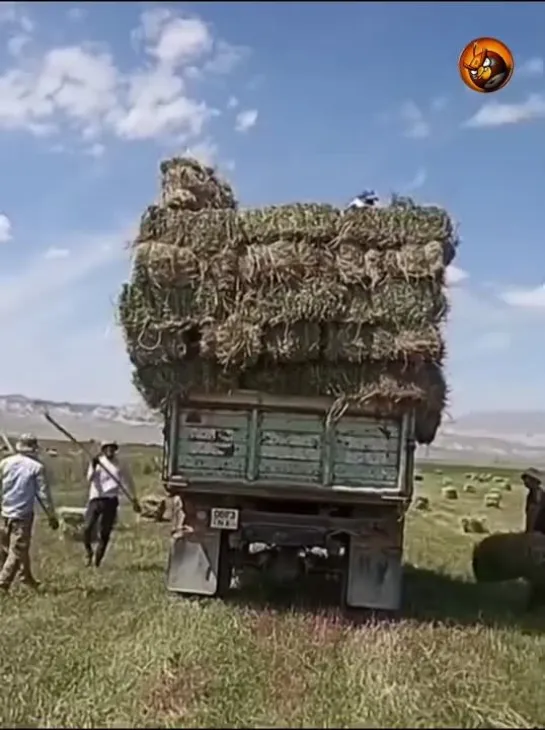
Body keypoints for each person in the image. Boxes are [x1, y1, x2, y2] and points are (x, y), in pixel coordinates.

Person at [0, 433, 59, 592]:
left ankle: (26, 578)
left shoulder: (5, 463)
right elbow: (43, 494)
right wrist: (51, 516)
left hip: (5, 512)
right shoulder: (36, 467)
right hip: (22, 515)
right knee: (16, 551)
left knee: (9, 550)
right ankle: (3, 583)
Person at [83, 440, 140, 568]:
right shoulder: (97, 462)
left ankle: (97, 561)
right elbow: (89, 478)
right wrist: (93, 465)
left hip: (111, 500)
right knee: (87, 527)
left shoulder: (120, 464)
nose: (110, 450)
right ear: (103, 449)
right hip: (96, 498)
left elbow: (129, 481)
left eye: (112, 448)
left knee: (104, 532)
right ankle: (88, 552)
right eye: (107, 448)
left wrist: (134, 499)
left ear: (115, 449)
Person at [522, 467, 545, 534]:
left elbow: (535, 513)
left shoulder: (539, 495)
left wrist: (530, 531)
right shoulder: (531, 494)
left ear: (534, 480)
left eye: (527, 479)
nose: (525, 481)